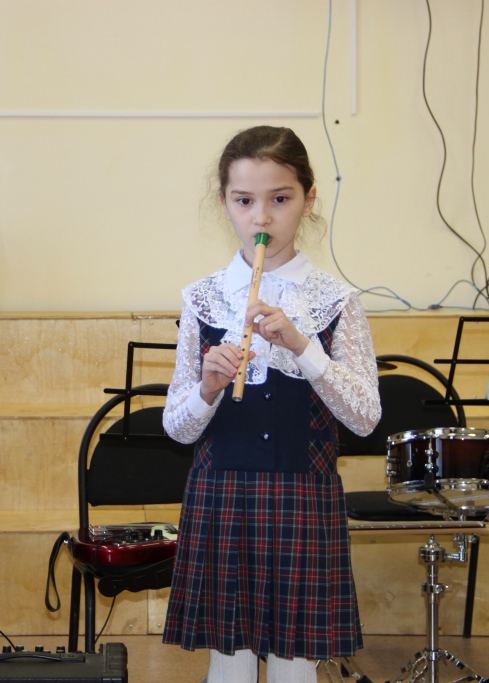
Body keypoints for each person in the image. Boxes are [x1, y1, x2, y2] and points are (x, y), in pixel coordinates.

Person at [161, 126, 381, 683]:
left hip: (302, 495)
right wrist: (208, 388)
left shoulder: (337, 301)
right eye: (244, 201)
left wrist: (303, 348)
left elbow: (364, 416)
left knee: (294, 669)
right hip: (220, 494)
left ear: (308, 199)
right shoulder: (203, 298)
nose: (261, 217)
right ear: (225, 204)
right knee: (228, 665)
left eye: (280, 199)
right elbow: (177, 428)